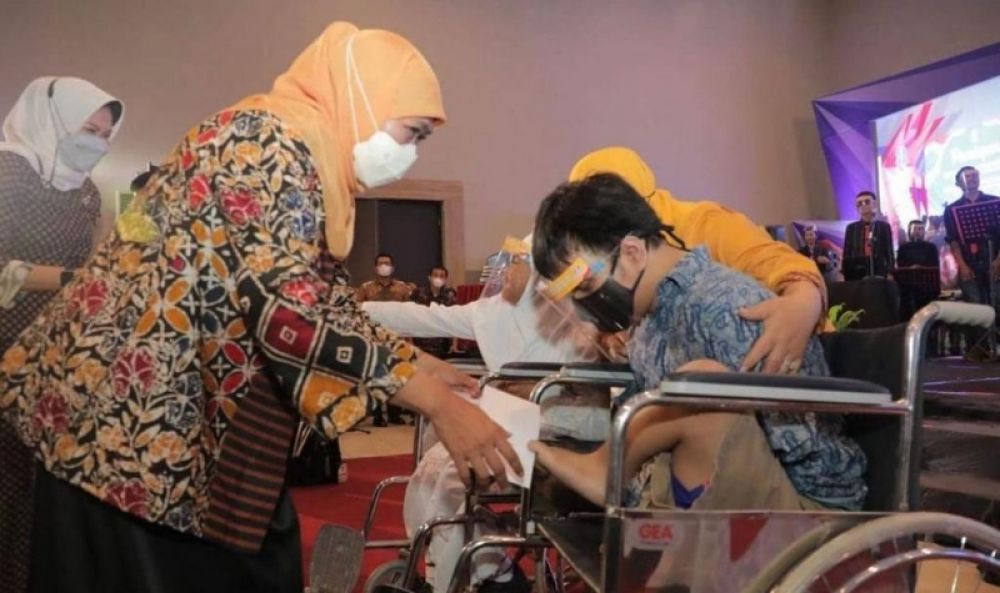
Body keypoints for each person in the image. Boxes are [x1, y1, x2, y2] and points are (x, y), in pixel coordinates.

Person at [0, 22, 520, 593]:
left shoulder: (305, 159)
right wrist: (435, 404)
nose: (410, 154)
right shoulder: (262, 141)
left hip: (163, 411)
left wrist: (419, 365)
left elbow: (319, 297)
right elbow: (286, 312)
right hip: (123, 417)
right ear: (361, 96)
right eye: (410, 132)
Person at [528, 174, 867, 518]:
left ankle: (606, 471)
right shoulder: (648, 323)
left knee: (699, 388)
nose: (582, 308)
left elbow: (798, 444)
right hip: (715, 494)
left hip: (806, 509)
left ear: (631, 253)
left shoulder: (731, 306)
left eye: (586, 287)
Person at [364, 236, 601, 593]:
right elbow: (423, 318)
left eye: (516, 263)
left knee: (452, 481)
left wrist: (534, 391)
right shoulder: (492, 312)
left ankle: (473, 574)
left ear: (540, 271)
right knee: (433, 471)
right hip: (506, 424)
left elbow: (595, 403)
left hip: (555, 436)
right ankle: (443, 564)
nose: (505, 272)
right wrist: (353, 310)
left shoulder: (579, 321)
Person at [0, 75, 123, 593]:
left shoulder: (87, 193)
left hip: (53, 357)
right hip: (5, 344)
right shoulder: (8, 174)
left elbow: (88, 263)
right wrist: (72, 279)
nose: (97, 143)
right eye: (88, 130)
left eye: (105, 135)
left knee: (40, 487)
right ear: (51, 119)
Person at [568, 147, 826, 375]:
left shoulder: (705, 223)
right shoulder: (614, 257)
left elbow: (787, 268)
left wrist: (801, 305)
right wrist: (610, 340)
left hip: (784, 359)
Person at [943, 166, 1000, 362]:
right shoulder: (951, 209)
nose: (972, 179)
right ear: (961, 182)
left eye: (975, 175)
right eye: (967, 176)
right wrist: (963, 266)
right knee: (976, 305)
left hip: (994, 260)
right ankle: (980, 349)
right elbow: (953, 241)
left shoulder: (995, 202)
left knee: (997, 302)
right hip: (969, 263)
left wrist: (998, 260)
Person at [355, 252, 416, 425]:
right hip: (374, 337)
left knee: (397, 374)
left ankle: (394, 413)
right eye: (380, 263)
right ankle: (377, 415)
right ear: (375, 268)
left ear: (393, 267)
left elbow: (410, 314)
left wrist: (410, 338)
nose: (384, 266)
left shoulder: (402, 288)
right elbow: (357, 312)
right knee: (375, 375)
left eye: (387, 263)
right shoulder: (365, 288)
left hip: (397, 336)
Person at [842, 191, 894, 281]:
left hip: (879, 270)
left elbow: (889, 251)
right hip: (857, 271)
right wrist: (845, 272)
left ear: (874, 204)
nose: (863, 206)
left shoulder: (883, 226)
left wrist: (890, 272)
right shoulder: (851, 228)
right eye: (859, 203)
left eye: (867, 202)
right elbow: (847, 253)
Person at [896, 219, 941, 321]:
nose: (917, 232)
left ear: (924, 231)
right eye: (915, 229)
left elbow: (935, 266)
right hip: (908, 288)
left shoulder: (931, 248)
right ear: (909, 231)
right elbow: (900, 266)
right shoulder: (903, 248)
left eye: (920, 229)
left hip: (928, 287)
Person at [409, 264, 458, 359]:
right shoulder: (418, 294)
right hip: (420, 344)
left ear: (445, 279)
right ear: (429, 277)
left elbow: (454, 321)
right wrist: (410, 342)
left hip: (442, 346)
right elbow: (410, 318)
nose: (438, 278)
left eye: (441, 276)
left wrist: (454, 344)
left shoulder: (449, 296)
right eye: (435, 275)